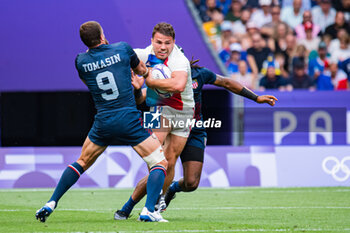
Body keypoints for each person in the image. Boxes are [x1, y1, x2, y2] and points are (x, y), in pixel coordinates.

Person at [35, 21, 168, 223]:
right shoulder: (123, 48)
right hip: (127, 118)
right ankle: (149, 210)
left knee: (81, 162)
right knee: (159, 162)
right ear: (102, 35)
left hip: (103, 121)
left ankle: (51, 202)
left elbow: (90, 82)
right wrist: (142, 79)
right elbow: (142, 72)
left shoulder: (80, 61)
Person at [115, 57, 277, 217]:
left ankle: (172, 189)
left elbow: (226, 82)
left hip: (194, 131)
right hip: (171, 130)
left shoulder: (199, 74)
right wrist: (137, 89)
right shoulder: (162, 75)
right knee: (161, 168)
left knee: (191, 183)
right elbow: (141, 99)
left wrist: (256, 98)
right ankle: (127, 208)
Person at [114, 23, 195, 220]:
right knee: (157, 158)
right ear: (152, 41)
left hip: (184, 111)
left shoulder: (179, 59)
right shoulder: (144, 54)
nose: (163, 47)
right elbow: (119, 56)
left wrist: (148, 79)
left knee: (170, 160)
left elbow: (178, 84)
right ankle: (134, 206)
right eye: (158, 42)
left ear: (173, 43)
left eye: (167, 43)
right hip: (158, 107)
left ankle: (148, 204)